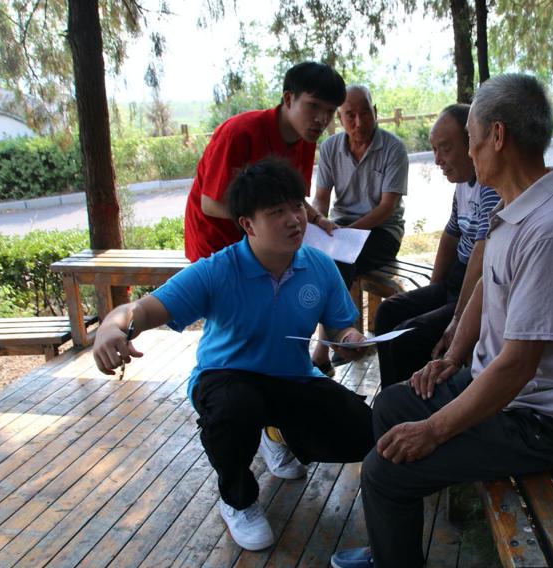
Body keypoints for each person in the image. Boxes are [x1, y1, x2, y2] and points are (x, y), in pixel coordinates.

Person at [330, 74, 553, 568]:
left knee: (383, 472)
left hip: (541, 421)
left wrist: (434, 431)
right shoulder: (513, 207)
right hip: (506, 393)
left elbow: (518, 366)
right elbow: (486, 285)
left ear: (497, 136)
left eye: (471, 137)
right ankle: (391, 546)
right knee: (391, 405)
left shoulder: (550, 230)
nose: (469, 150)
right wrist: (453, 355)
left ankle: (393, 554)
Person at [94, 159, 374, 552]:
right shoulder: (218, 270)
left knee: (364, 431)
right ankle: (238, 500)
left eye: (297, 206)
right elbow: (141, 310)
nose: (294, 220)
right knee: (235, 410)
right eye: (276, 212)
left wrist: (351, 340)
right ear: (248, 224)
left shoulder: (319, 266)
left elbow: (342, 328)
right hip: (228, 378)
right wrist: (111, 328)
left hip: (292, 378)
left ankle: (275, 433)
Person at [372, 104, 499, 388]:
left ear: (471, 143)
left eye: (445, 149)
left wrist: (457, 318)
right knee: (387, 312)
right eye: (434, 150)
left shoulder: (489, 187)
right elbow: (451, 235)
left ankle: (413, 403)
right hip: (455, 281)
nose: (438, 160)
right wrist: (432, 292)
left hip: (474, 291)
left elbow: (481, 254)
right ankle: (390, 396)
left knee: (407, 337)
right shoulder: (462, 184)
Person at [183, 61, 345, 262]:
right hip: (215, 245)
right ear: (288, 99)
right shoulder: (239, 133)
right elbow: (210, 204)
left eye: (330, 111)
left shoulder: (306, 138)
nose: (321, 119)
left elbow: (292, 197)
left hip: (263, 244)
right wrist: (269, 220)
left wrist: (317, 219)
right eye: (313, 106)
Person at [311, 85, 409, 373]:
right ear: (339, 119)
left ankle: (324, 348)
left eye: (365, 113)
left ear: (375, 112)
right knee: (316, 257)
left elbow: (386, 208)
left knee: (338, 259)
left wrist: (345, 234)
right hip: (342, 229)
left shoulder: (393, 148)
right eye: (350, 115)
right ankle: (335, 341)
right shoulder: (330, 148)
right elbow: (320, 198)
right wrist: (317, 222)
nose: (359, 122)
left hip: (383, 232)